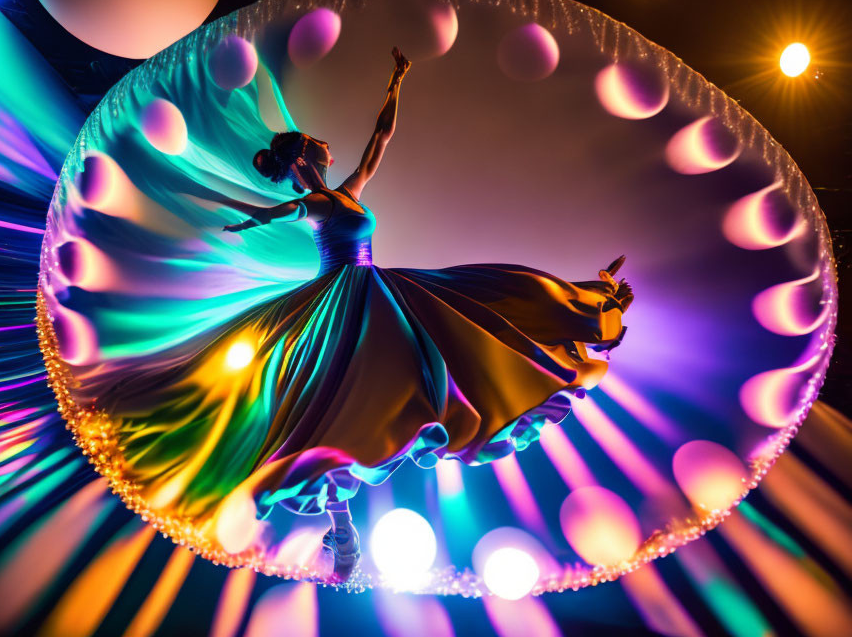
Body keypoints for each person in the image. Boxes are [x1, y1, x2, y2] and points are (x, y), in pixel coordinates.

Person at [221, 47, 633, 580]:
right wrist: (244, 220)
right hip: (344, 297)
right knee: (333, 408)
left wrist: (396, 79)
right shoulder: (321, 203)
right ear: (304, 160)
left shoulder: (346, 192)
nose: (328, 144)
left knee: (484, 296)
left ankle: (587, 314)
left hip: (374, 287)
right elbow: (284, 210)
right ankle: (343, 532)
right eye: (317, 143)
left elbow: (379, 141)